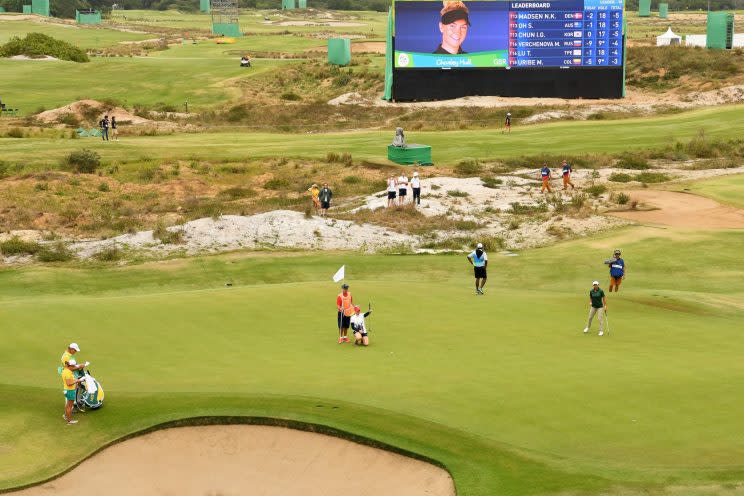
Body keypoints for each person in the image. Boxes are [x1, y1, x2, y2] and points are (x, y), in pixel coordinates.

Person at [62, 359, 85, 424]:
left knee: (68, 405)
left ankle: (66, 416)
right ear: (70, 366)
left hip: (67, 390)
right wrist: (79, 380)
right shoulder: (68, 372)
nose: (74, 367)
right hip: (70, 390)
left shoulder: (65, 370)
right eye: (73, 366)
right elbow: (69, 383)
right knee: (70, 406)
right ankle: (69, 420)